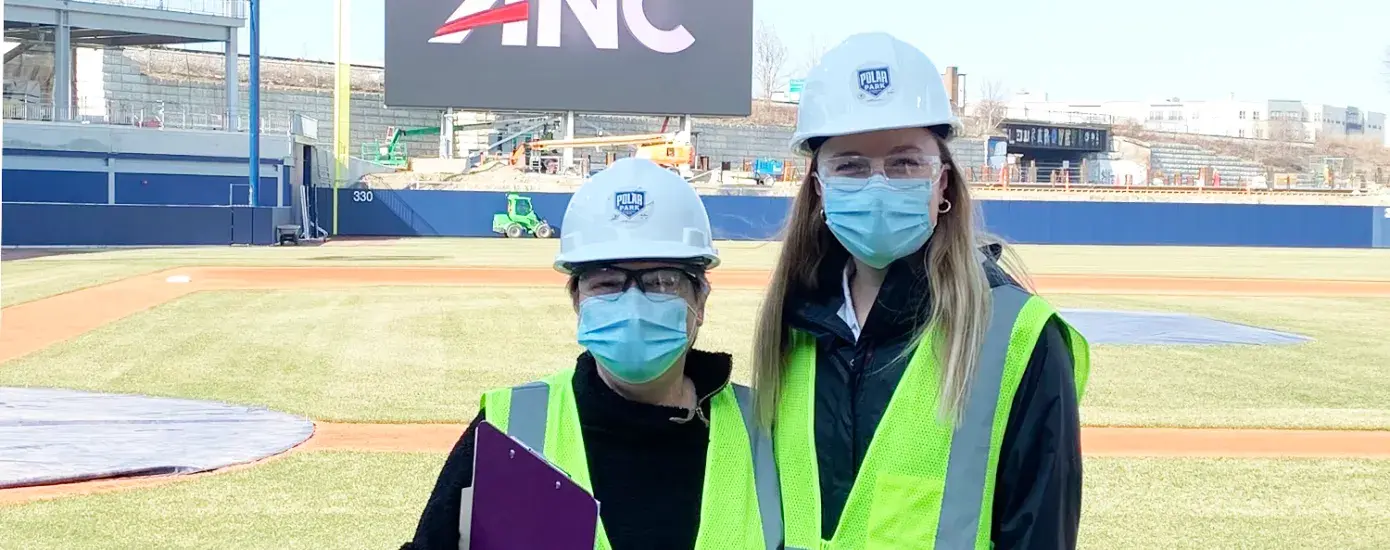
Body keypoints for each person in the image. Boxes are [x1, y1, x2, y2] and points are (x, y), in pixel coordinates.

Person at [750, 33, 1092, 550]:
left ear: (943, 184)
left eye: (906, 163)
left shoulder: (1018, 338)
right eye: (850, 165)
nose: (879, 185)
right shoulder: (791, 329)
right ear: (819, 188)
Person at [403, 158, 782, 550]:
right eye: (608, 282)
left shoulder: (766, 431)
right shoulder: (509, 428)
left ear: (700, 301)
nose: (633, 304)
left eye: (662, 281)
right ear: (577, 301)